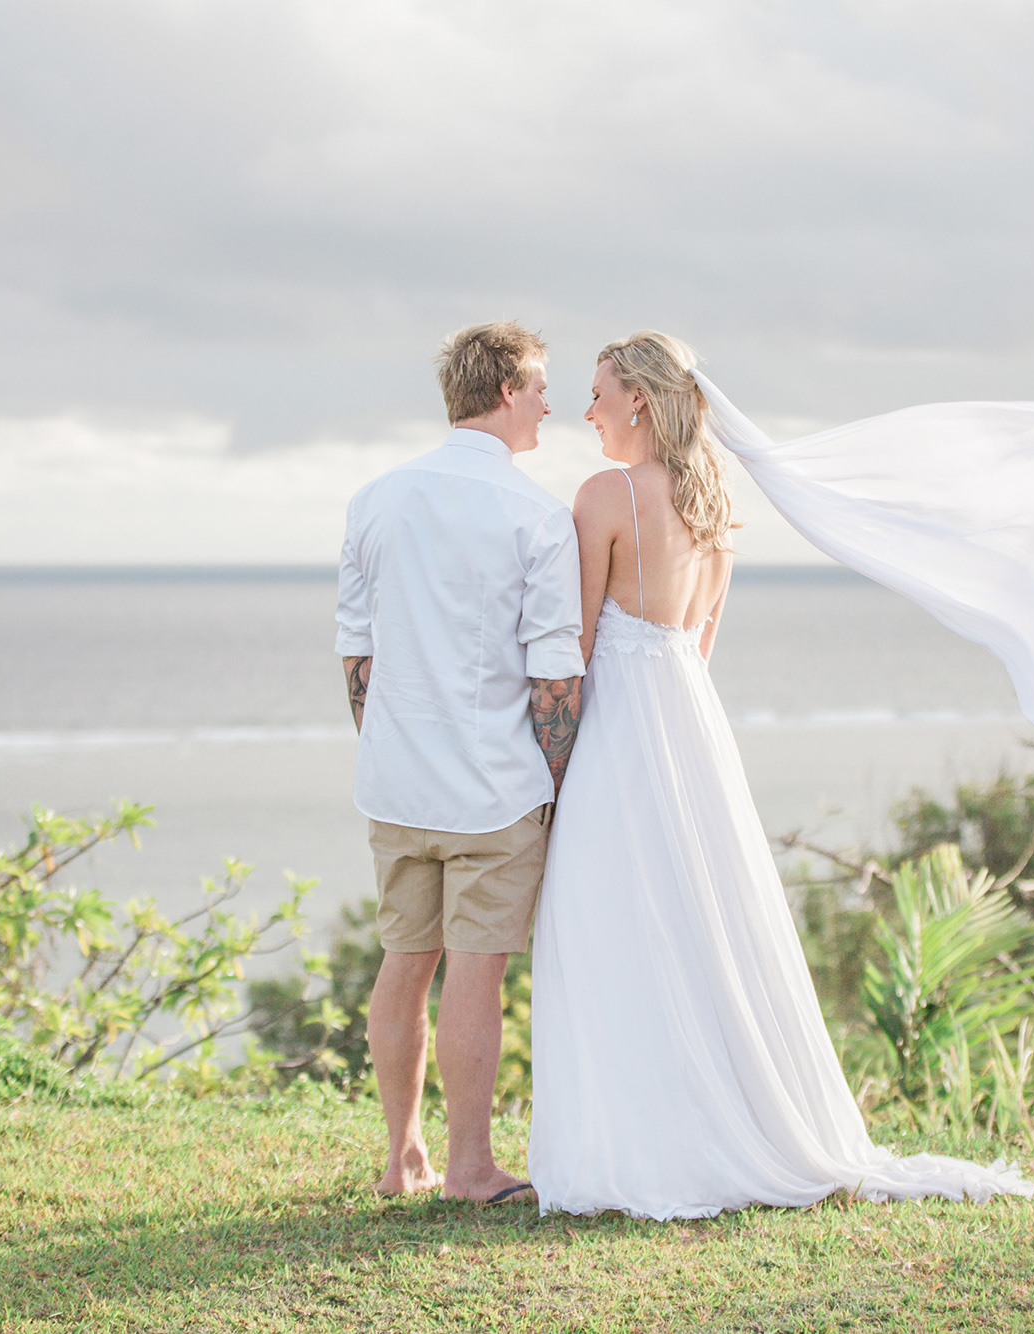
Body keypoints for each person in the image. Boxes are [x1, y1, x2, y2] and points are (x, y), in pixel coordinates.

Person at [526, 331, 1034, 1218]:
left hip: (617, 732)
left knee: (613, 921)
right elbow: (699, 645)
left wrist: (549, 772)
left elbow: (571, 652)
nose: (588, 408)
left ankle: (641, 1142)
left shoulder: (606, 495)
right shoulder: (713, 503)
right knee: (706, 923)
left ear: (639, 400)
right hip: (690, 729)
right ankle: (729, 1122)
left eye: (600, 391)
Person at [335, 320, 584, 1204]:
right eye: (543, 387)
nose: (552, 404)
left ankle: (401, 1157)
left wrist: (395, 744)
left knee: (404, 964)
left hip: (396, 783)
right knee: (476, 973)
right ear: (510, 390)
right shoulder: (538, 515)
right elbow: (555, 673)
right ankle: (471, 1167)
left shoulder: (375, 498)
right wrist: (556, 787)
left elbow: (358, 658)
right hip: (493, 792)